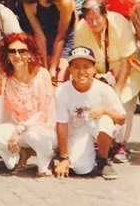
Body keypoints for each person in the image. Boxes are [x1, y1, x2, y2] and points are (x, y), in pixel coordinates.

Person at [0, 33, 57, 177]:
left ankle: (46, 159)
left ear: (30, 53)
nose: (17, 55)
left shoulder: (42, 74)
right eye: (12, 51)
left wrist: (20, 129)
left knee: (33, 135)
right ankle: (17, 159)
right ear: (7, 55)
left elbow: (44, 112)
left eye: (22, 51)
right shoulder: (4, 74)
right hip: (19, 128)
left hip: (43, 129)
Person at [73, 0, 139, 160]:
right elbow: (82, 58)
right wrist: (96, 77)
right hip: (97, 74)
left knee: (121, 103)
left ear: (105, 15)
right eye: (89, 20)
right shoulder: (81, 28)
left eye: (97, 19)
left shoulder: (120, 23)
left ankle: (120, 144)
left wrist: (116, 91)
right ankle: (101, 141)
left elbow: (127, 62)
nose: (93, 23)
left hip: (126, 72)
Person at [54, 46, 126, 180]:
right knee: (80, 168)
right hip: (78, 132)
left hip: (98, 127)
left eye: (86, 67)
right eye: (76, 67)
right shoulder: (62, 91)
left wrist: (105, 110)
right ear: (70, 69)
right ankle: (90, 153)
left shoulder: (104, 89)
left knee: (105, 120)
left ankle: (103, 159)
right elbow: (62, 125)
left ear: (93, 69)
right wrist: (64, 157)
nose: (82, 71)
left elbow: (121, 118)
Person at [17, 0, 74, 80]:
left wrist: (52, 68)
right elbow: (39, 35)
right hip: (46, 37)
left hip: (66, 38)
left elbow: (61, 36)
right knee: (41, 74)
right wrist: (45, 68)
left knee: (59, 76)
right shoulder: (29, 4)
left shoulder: (63, 2)